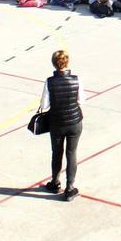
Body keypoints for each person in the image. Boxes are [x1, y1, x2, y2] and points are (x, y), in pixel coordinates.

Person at [41, 49, 83, 200]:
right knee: (71, 153)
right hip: (74, 121)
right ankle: (70, 187)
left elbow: (44, 105)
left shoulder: (50, 82)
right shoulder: (76, 79)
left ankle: (55, 182)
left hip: (57, 122)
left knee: (56, 153)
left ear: (54, 64)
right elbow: (82, 100)